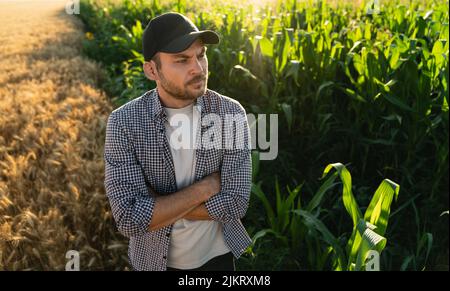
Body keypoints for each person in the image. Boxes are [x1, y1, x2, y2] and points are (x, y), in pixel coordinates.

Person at [104, 12, 252, 271]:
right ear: (152, 70)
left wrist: (157, 204)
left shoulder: (230, 113)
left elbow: (236, 204)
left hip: (217, 259)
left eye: (201, 54)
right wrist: (205, 188)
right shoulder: (124, 123)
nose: (198, 67)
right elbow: (128, 218)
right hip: (155, 261)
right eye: (182, 60)